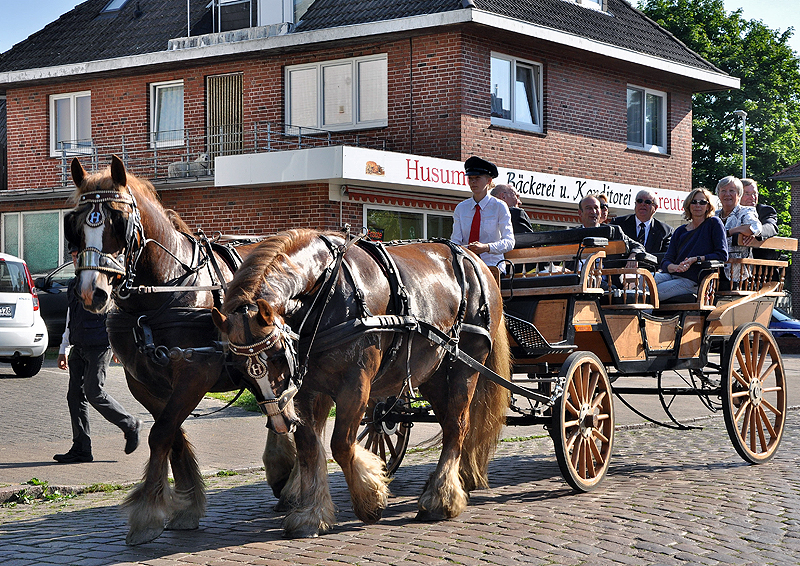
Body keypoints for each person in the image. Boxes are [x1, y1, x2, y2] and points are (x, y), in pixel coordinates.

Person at [54, 244, 142, 464]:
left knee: (94, 392)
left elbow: (117, 312)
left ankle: (129, 424)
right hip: (79, 346)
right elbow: (70, 316)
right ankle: (82, 448)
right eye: (73, 256)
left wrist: (118, 345)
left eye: (78, 256)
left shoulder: (103, 280)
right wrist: (64, 348)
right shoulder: (75, 284)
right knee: (75, 397)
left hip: (100, 346)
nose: (75, 260)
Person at [655, 188, 728, 301]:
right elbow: (666, 259)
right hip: (672, 274)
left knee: (654, 292)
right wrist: (674, 267)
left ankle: (643, 318)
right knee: (642, 280)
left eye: (702, 202)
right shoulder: (680, 231)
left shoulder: (714, 223)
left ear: (708, 206)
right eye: (694, 202)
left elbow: (722, 255)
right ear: (688, 205)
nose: (697, 205)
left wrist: (696, 259)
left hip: (693, 280)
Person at [451, 156, 514, 272]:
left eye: (477, 178)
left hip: (492, 266)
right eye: (470, 178)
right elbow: (455, 241)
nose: (473, 182)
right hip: (466, 266)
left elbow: (510, 242)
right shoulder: (461, 208)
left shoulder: (499, 206)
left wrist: (486, 247)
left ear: (489, 181)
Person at [715, 176, 762, 284]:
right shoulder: (714, 215)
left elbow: (755, 227)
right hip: (713, 267)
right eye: (723, 191)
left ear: (739, 194)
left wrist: (730, 232)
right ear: (719, 194)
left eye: (732, 191)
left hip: (737, 273)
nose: (727, 194)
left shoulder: (745, 211)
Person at [611, 189, 673, 255]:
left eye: (647, 202)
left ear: (655, 207)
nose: (643, 204)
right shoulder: (619, 224)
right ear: (635, 204)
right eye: (639, 201)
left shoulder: (665, 231)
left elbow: (665, 257)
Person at [741, 178, 779, 259]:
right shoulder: (730, 213)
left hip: (761, 265)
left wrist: (753, 232)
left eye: (755, 193)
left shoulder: (765, 211)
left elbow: (771, 227)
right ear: (738, 195)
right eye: (747, 193)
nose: (752, 197)